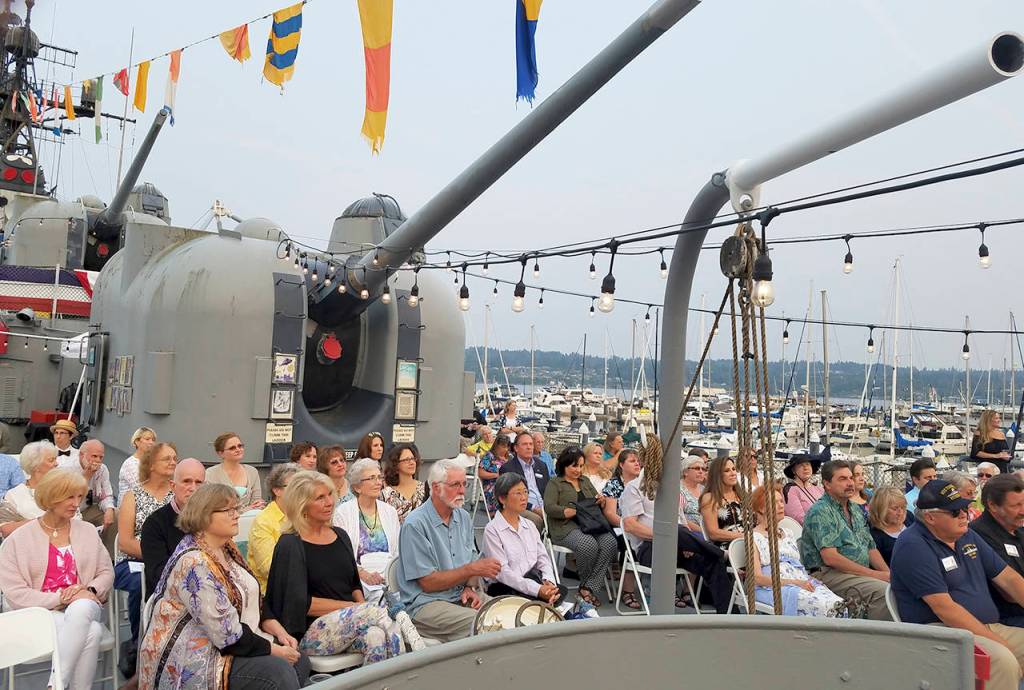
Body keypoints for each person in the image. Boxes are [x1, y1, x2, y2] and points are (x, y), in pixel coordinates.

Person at [139, 484, 309, 690]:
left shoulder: (227, 548)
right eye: (228, 510)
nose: (236, 515)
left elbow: (253, 597)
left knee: (300, 660)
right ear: (204, 515)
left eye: (236, 508)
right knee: (279, 672)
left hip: (233, 642)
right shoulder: (194, 563)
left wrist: (280, 633)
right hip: (195, 656)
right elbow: (227, 634)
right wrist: (276, 650)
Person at [266, 470, 422, 663]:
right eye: (320, 498)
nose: (329, 502)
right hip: (311, 631)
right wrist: (356, 608)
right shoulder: (290, 544)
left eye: (330, 494)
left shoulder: (340, 535)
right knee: (376, 611)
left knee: (376, 636)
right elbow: (299, 603)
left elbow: (354, 585)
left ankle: (381, 679)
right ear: (301, 504)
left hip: (352, 620)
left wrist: (358, 607)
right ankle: (416, 653)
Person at [891, 479, 1024, 690]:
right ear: (930, 517)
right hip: (942, 633)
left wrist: (992, 637)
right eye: (954, 512)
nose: (963, 515)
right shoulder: (913, 545)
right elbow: (944, 608)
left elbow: (1009, 579)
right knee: (1001, 659)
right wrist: (997, 641)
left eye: (964, 508)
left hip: (982, 626)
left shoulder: (967, 535)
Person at [0, 469, 114, 690]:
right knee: (93, 631)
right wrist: (60, 598)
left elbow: (106, 572)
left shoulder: (87, 531)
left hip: (84, 605)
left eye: (79, 497)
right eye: (69, 497)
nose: (76, 504)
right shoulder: (19, 539)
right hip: (40, 613)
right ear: (51, 497)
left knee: (82, 606)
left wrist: (90, 590)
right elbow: (15, 593)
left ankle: (55, 685)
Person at [620, 437, 733, 613]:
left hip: (678, 545)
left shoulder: (670, 489)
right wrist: (670, 537)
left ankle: (728, 615)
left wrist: (685, 543)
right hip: (650, 548)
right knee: (674, 531)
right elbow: (630, 526)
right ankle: (718, 552)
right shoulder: (634, 488)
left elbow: (682, 521)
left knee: (713, 561)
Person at [398, 458, 501, 641]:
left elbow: (471, 560)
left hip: (460, 595)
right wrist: (471, 570)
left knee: (510, 612)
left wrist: (469, 586)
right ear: (436, 488)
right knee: (486, 624)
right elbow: (428, 583)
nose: (462, 491)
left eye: (464, 484)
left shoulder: (463, 517)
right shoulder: (415, 524)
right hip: (426, 603)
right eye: (455, 485)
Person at [800, 459, 891, 620]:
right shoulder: (820, 511)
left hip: (855, 573)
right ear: (827, 484)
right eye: (842, 479)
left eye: (850, 478)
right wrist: (875, 575)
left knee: (897, 585)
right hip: (828, 574)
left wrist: (888, 574)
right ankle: (876, 633)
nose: (850, 483)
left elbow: (870, 547)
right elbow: (831, 558)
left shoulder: (855, 509)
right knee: (884, 592)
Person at [747, 483, 846, 617]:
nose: (781, 505)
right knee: (825, 606)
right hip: (772, 587)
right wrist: (795, 583)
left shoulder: (788, 533)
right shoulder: (753, 537)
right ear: (762, 508)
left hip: (801, 581)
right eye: (775, 502)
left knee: (838, 603)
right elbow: (757, 578)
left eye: (781, 501)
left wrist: (803, 581)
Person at [115, 441, 175, 652]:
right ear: (150, 464)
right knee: (141, 582)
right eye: (166, 459)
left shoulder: (178, 495)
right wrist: (158, 557)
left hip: (171, 561)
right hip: (133, 561)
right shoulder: (133, 496)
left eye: (174, 458)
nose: (173, 462)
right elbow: (125, 542)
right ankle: (139, 642)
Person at [543, 446, 617, 607]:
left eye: (581, 466)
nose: (578, 470)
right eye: (574, 466)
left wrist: (600, 500)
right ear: (564, 465)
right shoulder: (555, 483)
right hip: (565, 526)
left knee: (610, 542)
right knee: (587, 544)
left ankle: (587, 587)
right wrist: (567, 511)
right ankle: (587, 587)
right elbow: (549, 507)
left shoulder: (585, 481)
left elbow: (595, 499)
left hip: (589, 523)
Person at [483, 473, 566, 605]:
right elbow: (503, 573)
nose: (524, 497)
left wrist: (548, 581)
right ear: (502, 499)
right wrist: (537, 590)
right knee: (546, 611)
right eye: (518, 493)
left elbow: (543, 558)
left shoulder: (529, 525)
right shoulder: (492, 530)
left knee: (557, 602)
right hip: (507, 588)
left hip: (534, 581)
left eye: (526, 492)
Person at [333, 458, 401, 600]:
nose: (378, 482)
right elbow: (341, 555)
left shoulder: (390, 511)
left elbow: (397, 551)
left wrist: (388, 575)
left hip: (388, 575)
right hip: (357, 579)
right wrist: (363, 574)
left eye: (379, 477)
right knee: (381, 598)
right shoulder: (343, 513)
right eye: (371, 478)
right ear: (357, 487)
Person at [140, 458, 206, 596]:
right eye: (186, 481)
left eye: (198, 482)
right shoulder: (154, 524)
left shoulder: (212, 519)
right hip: (169, 597)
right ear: (172, 486)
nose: (193, 488)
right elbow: (158, 574)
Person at [971, 473, 1024, 627]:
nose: (1023, 511)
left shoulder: (1017, 530)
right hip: (1008, 618)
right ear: (993, 506)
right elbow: (1010, 593)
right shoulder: (979, 535)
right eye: (1016, 506)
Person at [601, 448, 643, 610]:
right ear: (621, 465)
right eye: (632, 461)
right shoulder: (614, 484)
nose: (637, 464)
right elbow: (610, 513)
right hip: (619, 526)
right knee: (629, 543)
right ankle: (627, 591)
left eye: (638, 461)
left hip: (641, 525)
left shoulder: (643, 484)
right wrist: (628, 526)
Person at [248, 463, 298, 594]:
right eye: (293, 486)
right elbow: (269, 568)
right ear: (277, 490)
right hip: (273, 592)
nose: (299, 491)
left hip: (301, 586)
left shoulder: (304, 515)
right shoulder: (263, 521)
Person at [0, 440, 61, 537]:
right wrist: (41, 522)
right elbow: (4, 529)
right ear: (36, 466)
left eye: (55, 459)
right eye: (51, 460)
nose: (57, 463)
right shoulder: (15, 494)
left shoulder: (62, 490)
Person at [60, 439, 116, 541]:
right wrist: (85, 477)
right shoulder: (66, 469)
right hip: (69, 512)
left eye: (101, 457)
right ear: (82, 455)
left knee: (115, 514)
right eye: (94, 456)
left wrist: (109, 509)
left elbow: (106, 494)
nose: (98, 460)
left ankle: (107, 550)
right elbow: (67, 499)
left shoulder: (102, 469)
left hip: (88, 508)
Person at [498, 432, 548, 531]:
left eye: (531, 444)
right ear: (516, 448)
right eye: (525, 444)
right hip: (520, 507)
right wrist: (533, 508)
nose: (529, 447)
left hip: (543, 506)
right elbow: (510, 497)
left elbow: (548, 490)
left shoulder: (541, 465)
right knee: (537, 520)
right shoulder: (508, 468)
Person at [206, 432, 264, 511]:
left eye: (240, 446)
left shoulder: (252, 472)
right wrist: (246, 510)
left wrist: (254, 507)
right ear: (221, 453)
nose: (238, 449)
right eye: (232, 448)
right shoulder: (210, 474)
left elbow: (257, 503)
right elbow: (214, 507)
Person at [699, 456, 746, 545]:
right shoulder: (710, 498)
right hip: (729, 546)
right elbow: (713, 533)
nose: (733, 473)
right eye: (727, 471)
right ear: (717, 475)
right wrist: (744, 536)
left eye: (734, 469)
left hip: (753, 542)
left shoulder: (743, 495)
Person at [380, 442, 428, 523]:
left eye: (413, 458)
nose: (411, 462)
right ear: (396, 464)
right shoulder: (386, 494)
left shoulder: (425, 489)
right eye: (406, 460)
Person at [866, 486, 908, 565]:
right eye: (895, 509)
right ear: (880, 509)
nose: (900, 512)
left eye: (903, 507)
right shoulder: (873, 533)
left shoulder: (909, 518)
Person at [782, 453, 824, 525]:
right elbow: (799, 519)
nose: (805, 468)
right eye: (801, 465)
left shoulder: (820, 489)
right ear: (793, 470)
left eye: (808, 464)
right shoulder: (791, 491)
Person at [477, 435, 511, 516]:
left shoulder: (510, 458)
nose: (505, 449)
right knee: (503, 493)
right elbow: (480, 473)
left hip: (508, 484)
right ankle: (499, 515)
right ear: (496, 445)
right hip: (492, 485)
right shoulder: (489, 456)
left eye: (507, 447)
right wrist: (496, 475)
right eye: (503, 446)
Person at [119, 426, 156, 500]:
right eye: (147, 439)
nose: (151, 442)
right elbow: (141, 489)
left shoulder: (153, 462)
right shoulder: (130, 464)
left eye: (153, 440)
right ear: (137, 442)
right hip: (129, 505)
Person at [972, 409, 1011, 474]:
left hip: (1002, 468)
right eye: (996, 418)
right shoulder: (979, 433)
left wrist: (1007, 456)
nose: (999, 420)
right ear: (988, 420)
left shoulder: (1001, 434)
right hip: (987, 470)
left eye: (999, 418)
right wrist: (996, 455)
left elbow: (1005, 451)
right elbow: (975, 453)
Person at [678, 454, 706, 533]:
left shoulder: (704, 490)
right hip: (689, 533)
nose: (701, 471)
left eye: (703, 469)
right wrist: (704, 533)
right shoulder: (678, 490)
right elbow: (681, 518)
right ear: (685, 472)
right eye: (697, 468)